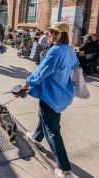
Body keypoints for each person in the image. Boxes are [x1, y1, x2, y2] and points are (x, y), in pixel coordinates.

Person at [16, 22, 78, 178]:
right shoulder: (69, 50)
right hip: (63, 93)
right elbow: (75, 67)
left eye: (54, 33)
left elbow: (40, 73)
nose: (50, 35)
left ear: (62, 35)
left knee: (52, 130)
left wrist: (24, 85)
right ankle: (36, 137)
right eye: (50, 32)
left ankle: (65, 170)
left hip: (52, 95)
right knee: (43, 116)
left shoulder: (55, 51)